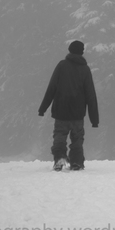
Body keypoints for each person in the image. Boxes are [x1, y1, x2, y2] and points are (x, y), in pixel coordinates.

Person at [38, 40, 99, 171]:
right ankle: (76, 162)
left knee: (59, 137)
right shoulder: (85, 70)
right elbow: (91, 95)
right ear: (82, 52)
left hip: (61, 111)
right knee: (77, 139)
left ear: (69, 50)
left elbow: (52, 88)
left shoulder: (62, 66)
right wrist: (94, 119)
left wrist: (43, 108)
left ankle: (59, 159)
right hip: (78, 113)